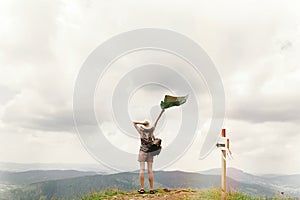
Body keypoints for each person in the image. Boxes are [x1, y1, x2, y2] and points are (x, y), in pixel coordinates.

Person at [133, 109, 165, 194]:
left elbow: (134, 123)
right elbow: (156, 121)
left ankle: (142, 188)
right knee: (150, 170)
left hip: (142, 152)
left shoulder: (141, 132)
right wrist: (161, 111)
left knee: (142, 170)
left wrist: (143, 123)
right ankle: (151, 189)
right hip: (150, 153)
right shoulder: (152, 131)